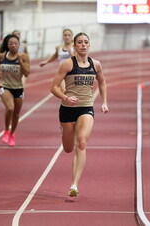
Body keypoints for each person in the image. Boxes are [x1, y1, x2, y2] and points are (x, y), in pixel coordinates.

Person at [50, 32, 109, 197]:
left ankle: (74, 184)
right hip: (67, 109)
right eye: (80, 42)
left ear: (89, 45)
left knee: (81, 143)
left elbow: (102, 82)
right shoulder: (68, 65)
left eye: (86, 42)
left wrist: (104, 102)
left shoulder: (96, 64)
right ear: (75, 46)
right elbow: (53, 87)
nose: (83, 45)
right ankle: (64, 130)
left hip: (86, 108)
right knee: (68, 149)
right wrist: (66, 97)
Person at [0, 34, 30, 146]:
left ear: (19, 45)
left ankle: (12, 133)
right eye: (11, 43)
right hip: (5, 86)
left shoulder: (24, 56)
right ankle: (6, 130)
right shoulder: (2, 56)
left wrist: (20, 62)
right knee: (10, 108)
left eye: (16, 43)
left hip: (18, 88)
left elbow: (27, 73)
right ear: (7, 45)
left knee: (16, 114)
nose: (13, 45)